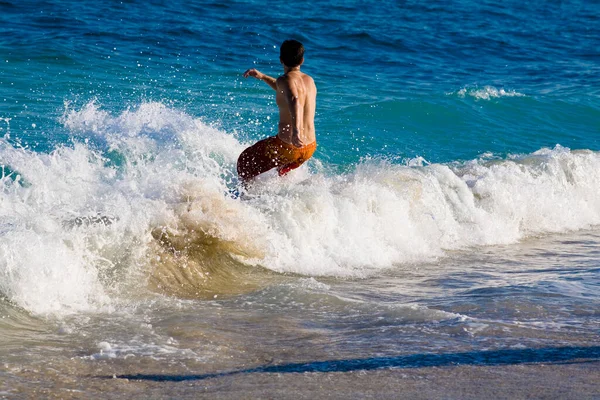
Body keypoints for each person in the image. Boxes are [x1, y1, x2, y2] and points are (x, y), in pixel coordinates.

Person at [237, 40, 317, 186]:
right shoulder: (309, 81)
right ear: (302, 60)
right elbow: (286, 91)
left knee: (245, 161)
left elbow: (294, 99)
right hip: (309, 148)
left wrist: (296, 132)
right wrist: (262, 76)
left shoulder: (285, 80)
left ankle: (243, 198)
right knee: (280, 172)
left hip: (288, 147)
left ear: (281, 60)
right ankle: (280, 198)